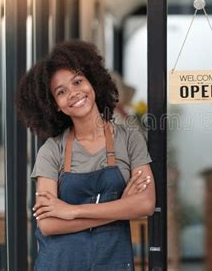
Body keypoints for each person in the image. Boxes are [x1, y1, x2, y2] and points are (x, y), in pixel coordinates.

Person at [16, 40, 155, 270]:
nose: (74, 93)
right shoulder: (52, 150)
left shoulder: (129, 139)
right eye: (61, 92)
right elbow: (48, 224)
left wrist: (71, 211)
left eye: (78, 82)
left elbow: (146, 203)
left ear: (92, 83)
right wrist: (121, 207)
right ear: (55, 105)